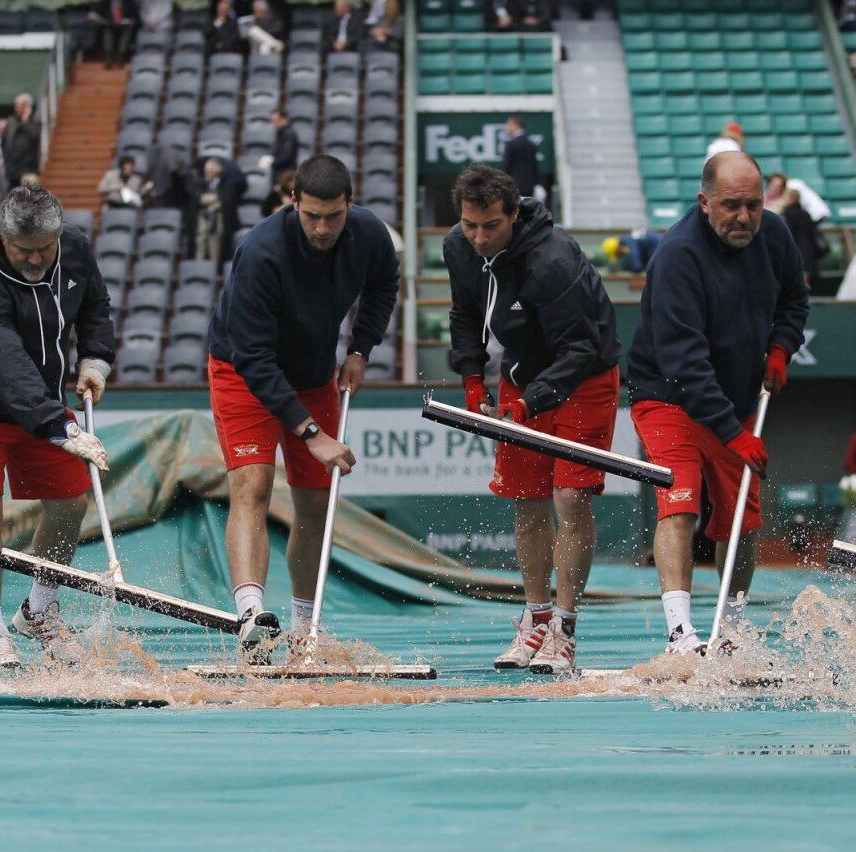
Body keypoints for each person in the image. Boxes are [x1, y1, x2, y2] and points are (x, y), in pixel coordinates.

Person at [207, 155, 399, 661]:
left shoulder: (370, 235)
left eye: (332, 216)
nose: (321, 226)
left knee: (316, 502)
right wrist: (312, 433)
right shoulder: (261, 251)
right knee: (252, 485)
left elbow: (384, 284)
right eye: (310, 214)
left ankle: (302, 632)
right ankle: (251, 618)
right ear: (293, 203)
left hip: (314, 372)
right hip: (243, 371)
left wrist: (360, 348)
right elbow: (253, 357)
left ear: (349, 205)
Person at [627, 151, 810, 655]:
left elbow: (795, 301)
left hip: (733, 399)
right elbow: (684, 363)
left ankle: (731, 632)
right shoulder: (677, 255)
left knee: (743, 520)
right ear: (704, 202)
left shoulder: (774, 235)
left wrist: (780, 347)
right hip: (667, 397)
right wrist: (732, 434)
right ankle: (680, 634)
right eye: (731, 206)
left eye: (753, 205)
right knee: (679, 501)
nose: (744, 217)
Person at [444, 164, 621, 674]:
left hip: (584, 377)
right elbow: (464, 315)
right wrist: (473, 379)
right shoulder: (459, 247)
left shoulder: (553, 260)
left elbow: (581, 348)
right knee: (526, 500)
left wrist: (529, 403)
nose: (478, 238)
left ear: (514, 214)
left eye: (490, 227)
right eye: (469, 225)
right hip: (521, 379)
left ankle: (564, 627)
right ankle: (536, 617)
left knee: (569, 496)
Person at [0, 186, 114, 668]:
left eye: (45, 248)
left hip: (44, 403)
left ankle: (39, 607)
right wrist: (63, 429)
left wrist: (96, 359)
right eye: (25, 250)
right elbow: (7, 366)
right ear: (4, 237)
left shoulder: (72, 246)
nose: (37, 258)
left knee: (71, 502)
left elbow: (95, 305)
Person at [780, 187, 820, 286]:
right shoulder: (805, 214)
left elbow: (787, 235)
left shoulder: (787, 214)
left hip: (795, 250)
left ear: (791, 198)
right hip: (808, 249)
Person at [2, 94, 40, 188]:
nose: (18, 108)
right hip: (12, 169)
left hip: (28, 169)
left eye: (21, 105)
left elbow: (35, 136)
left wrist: (25, 121)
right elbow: (4, 143)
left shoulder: (34, 121)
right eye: (17, 105)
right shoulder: (11, 122)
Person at [90, 0, 139, 68]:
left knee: (127, 31)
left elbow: (136, 17)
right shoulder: (104, 2)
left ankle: (120, 57)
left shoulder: (129, 2)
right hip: (109, 25)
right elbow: (94, 13)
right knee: (107, 31)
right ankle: (108, 58)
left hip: (125, 26)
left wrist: (132, 21)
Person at [501, 115, 539, 198]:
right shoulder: (530, 144)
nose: (506, 127)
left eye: (508, 124)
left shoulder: (511, 145)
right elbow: (534, 167)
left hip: (514, 186)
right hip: (529, 186)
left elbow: (506, 167)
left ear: (515, 125)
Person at [267, 109, 298, 185]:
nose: (274, 123)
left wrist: (272, 161)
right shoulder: (281, 133)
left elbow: (287, 155)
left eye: (276, 120)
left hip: (285, 174)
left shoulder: (288, 134)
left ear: (284, 119)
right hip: (280, 173)